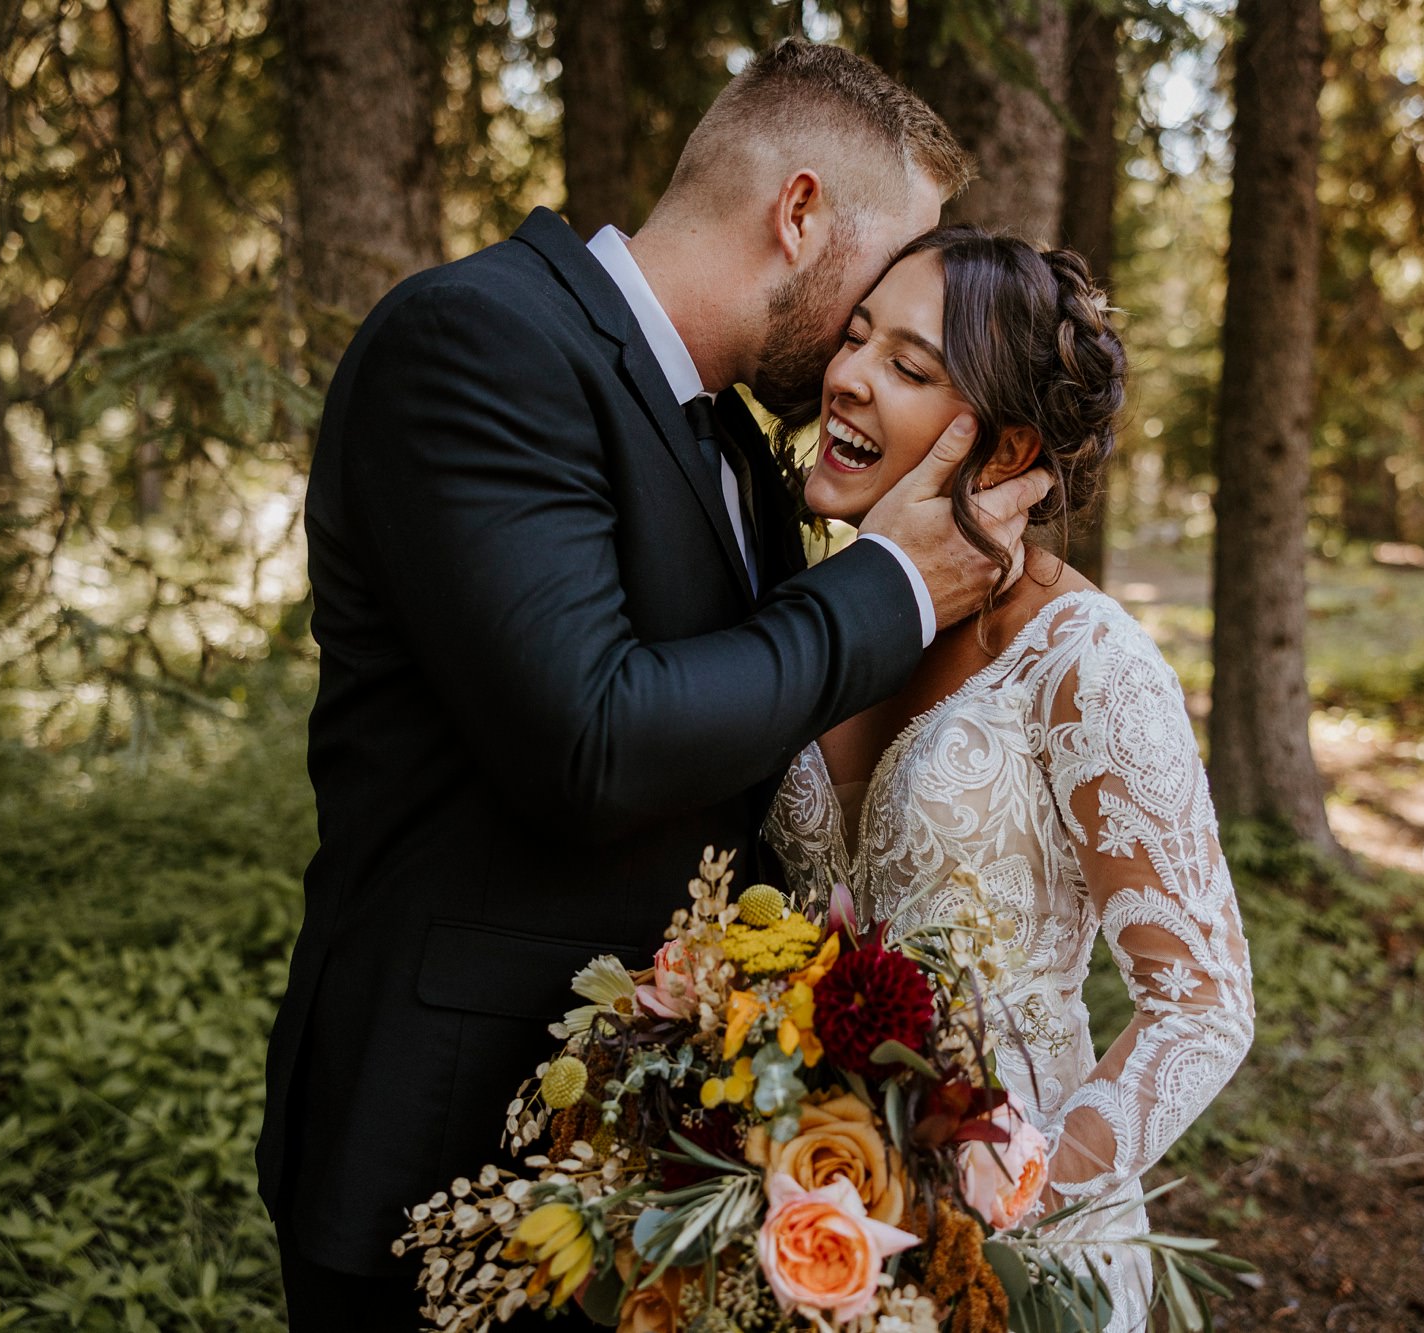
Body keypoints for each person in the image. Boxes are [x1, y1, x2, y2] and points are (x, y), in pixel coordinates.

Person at [256, 42, 1053, 1330]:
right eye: (883, 272)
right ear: (797, 214)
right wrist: (893, 589)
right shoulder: (477, 340)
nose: (880, 323)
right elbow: (595, 741)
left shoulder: (735, 441)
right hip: (437, 1145)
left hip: (655, 1174)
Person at [764, 226, 1256, 1329]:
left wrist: (1004, 1207)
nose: (844, 377)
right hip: (814, 1210)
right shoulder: (815, 620)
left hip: (1010, 1265)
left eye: (905, 366)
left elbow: (1202, 1007)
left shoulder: (1085, 661)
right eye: (853, 339)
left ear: (1002, 446)